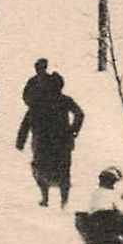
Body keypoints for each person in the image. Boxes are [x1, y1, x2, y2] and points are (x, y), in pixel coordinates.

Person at [15, 72, 84, 207]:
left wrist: (20, 141)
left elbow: (26, 122)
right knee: (63, 170)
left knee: (41, 169)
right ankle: (64, 201)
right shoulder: (65, 100)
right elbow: (79, 114)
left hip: (42, 143)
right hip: (63, 142)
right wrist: (73, 130)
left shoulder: (37, 102)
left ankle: (45, 199)